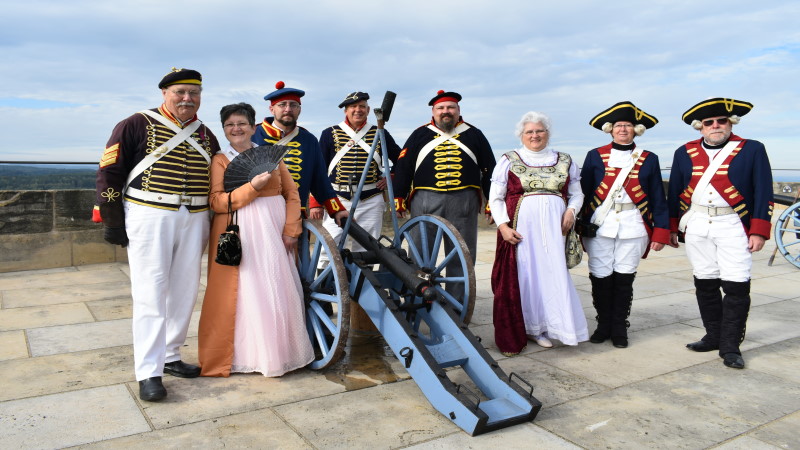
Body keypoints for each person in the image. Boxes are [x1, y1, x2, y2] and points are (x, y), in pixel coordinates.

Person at [94, 68, 220, 401]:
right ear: (164, 92)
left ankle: (171, 355)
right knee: (151, 291)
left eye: (194, 93)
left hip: (194, 217)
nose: (187, 99)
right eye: (180, 92)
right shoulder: (134, 124)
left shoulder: (206, 134)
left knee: (184, 290)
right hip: (150, 214)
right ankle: (148, 370)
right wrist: (112, 220)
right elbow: (110, 172)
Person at [198, 103, 313, 377]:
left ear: (252, 127)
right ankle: (246, 355)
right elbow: (217, 202)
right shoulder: (220, 160)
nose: (236, 129)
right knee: (246, 293)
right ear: (224, 130)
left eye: (241, 123)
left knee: (276, 288)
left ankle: (283, 353)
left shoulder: (271, 156)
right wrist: (252, 188)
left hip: (273, 230)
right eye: (229, 125)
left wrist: (291, 229)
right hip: (240, 231)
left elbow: (292, 194)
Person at [668, 97, 773, 369]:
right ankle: (713, 335)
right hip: (698, 223)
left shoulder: (752, 149)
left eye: (721, 121)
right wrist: (672, 227)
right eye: (709, 122)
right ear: (700, 127)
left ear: (731, 123)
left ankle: (730, 347)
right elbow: (675, 191)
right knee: (705, 282)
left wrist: (759, 230)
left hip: (733, 225)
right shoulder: (684, 152)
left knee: (736, 285)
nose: (716, 126)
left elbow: (763, 190)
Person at [490, 111, 588, 355]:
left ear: (548, 134)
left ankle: (553, 327)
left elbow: (577, 193)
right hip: (522, 230)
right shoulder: (509, 160)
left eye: (539, 131)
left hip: (556, 230)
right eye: (529, 132)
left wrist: (571, 212)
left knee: (552, 275)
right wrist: (503, 226)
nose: (535, 135)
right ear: (522, 136)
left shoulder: (564, 159)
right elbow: (496, 196)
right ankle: (530, 328)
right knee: (527, 276)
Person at [580, 101, 669, 349]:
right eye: (619, 125)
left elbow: (657, 197)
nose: (623, 130)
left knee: (624, 277)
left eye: (628, 125)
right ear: (610, 129)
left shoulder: (649, 159)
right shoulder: (595, 156)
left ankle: (619, 327)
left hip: (633, 225)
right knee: (600, 276)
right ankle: (603, 324)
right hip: (600, 225)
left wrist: (661, 232)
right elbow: (584, 192)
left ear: (635, 130)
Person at [393, 90, 496, 301]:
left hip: (464, 201)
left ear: (458, 111)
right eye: (441, 108)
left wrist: (491, 202)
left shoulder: (474, 134)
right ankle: (419, 302)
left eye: (450, 107)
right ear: (433, 111)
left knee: (462, 256)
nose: (446, 112)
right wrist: (398, 198)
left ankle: (458, 305)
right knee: (420, 255)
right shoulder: (419, 134)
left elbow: (490, 170)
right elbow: (404, 167)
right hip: (425, 201)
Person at [317, 91, 401, 263]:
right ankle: (327, 288)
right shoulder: (329, 133)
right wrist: (316, 202)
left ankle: (361, 288)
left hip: (371, 198)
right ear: (346, 111)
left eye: (362, 106)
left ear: (368, 110)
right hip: (338, 199)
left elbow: (401, 159)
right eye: (353, 107)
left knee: (368, 251)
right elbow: (319, 170)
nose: (358, 110)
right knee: (329, 248)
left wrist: (391, 176)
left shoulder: (380, 133)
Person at [252, 81, 347, 224]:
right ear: (272, 109)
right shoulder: (253, 134)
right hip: (259, 212)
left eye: (293, 105)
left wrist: (336, 209)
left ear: (299, 110)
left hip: (296, 213)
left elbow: (320, 180)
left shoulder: (309, 140)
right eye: (282, 104)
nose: (288, 109)